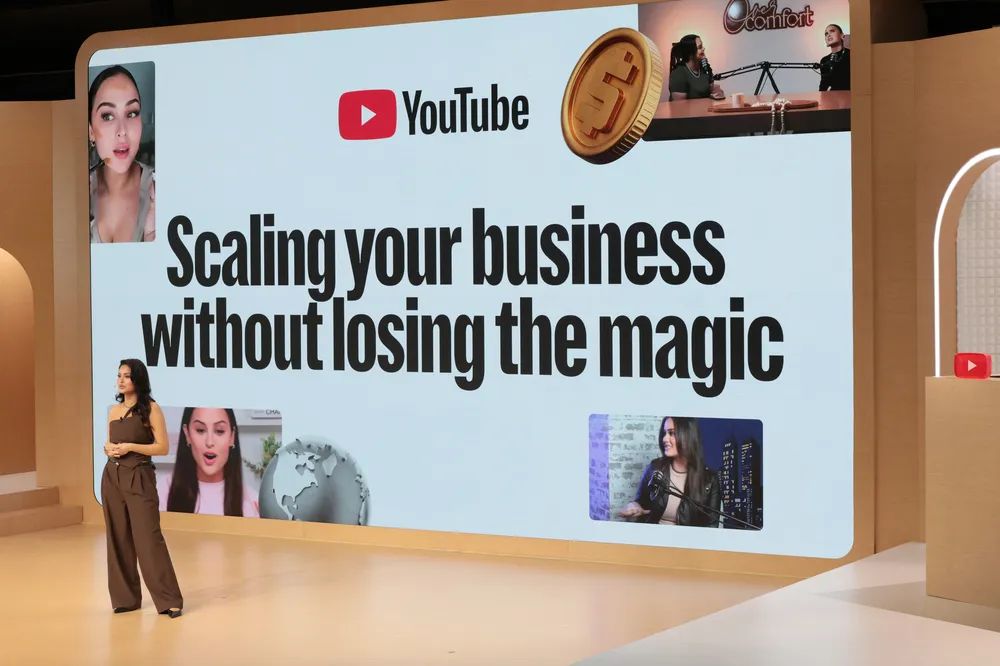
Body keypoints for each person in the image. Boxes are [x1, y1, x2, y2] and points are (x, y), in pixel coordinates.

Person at [101, 358, 183, 617]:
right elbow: (110, 442)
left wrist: (130, 447)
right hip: (112, 477)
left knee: (149, 538)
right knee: (118, 537)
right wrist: (109, 448)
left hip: (139, 475)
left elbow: (163, 447)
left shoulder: (151, 409)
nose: (121, 380)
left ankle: (169, 600)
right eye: (119, 375)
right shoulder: (114, 411)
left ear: (138, 378)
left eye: (127, 376)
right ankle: (125, 598)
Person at [88, 65, 155, 243]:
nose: (122, 131)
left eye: (131, 113)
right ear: (91, 131)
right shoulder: (76, 192)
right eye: (108, 116)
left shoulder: (159, 189)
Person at [619, 417, 721, 527]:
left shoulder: (710, 480)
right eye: (665, 433)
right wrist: (634, 505)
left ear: (687, 436)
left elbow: (711, 526)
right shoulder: (654, 468)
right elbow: (641, 502)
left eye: (671, 433)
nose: (664, 439)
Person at [162, 407, 260, 517]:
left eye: (219, 431)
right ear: (187, 434)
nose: (209, 442)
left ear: (232, 436)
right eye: (200, 430)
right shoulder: (162, 492)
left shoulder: (252, 503)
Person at [667, 34, 724, 102]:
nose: (703, 48)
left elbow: (710, 89)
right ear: (690, 53)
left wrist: (718, 92)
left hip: (706, 108)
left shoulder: (705, 67)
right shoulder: (679, 73)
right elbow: (679, 105)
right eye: (700, 47)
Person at [819, 24, 851, 91]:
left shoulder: (851, 55)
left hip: (851, 95)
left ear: (842, 35)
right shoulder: (824, 60)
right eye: (826, 34)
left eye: (832, 31)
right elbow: (823, 86)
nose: (828, 35)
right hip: (831, 96)